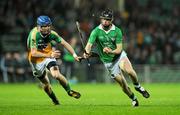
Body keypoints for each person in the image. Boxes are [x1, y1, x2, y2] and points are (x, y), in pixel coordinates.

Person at [83, 9, 150, 107]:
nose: (105, 21)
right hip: (108, 63)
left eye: (107, 19)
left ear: (111, 20)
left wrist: (110, 51)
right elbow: (89, 45)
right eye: (103, 19)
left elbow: (119, 49)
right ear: (101, 19)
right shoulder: (96, 31)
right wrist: (86, 52)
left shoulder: (117, 31)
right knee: (124, 85)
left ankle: (137, 86)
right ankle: (133, 98)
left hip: (119, 57)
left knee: (130, 71)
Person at [27, 15, 81, 105]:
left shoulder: (52, 34)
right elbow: (33, 53)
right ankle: (54, 100)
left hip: (49, 56)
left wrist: (74, 55)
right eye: (44, 26)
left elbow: (64, 43)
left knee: (56, 75)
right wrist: (49, 54)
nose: (47, 28)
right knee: (46, 84)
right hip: (35, 61)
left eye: (48, 26)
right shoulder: (34, 34)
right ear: (39, 27)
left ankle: (69, 91)